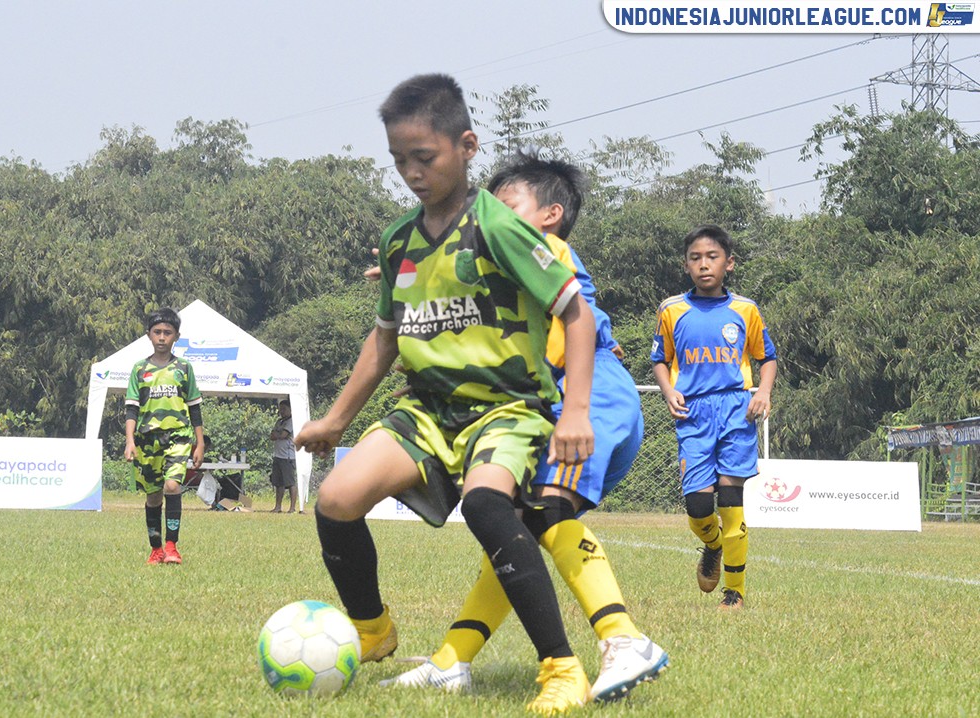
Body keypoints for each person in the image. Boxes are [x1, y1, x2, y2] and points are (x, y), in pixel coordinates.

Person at [294, 73, 598, 715]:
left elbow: (578, 315)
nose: (411, 172)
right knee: (336, 498)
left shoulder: (500, 227)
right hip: (427, 411)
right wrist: (335, 421)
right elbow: (384, 339)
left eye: (423, 158)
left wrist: (573, 413)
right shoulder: (399, 240)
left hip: (506, 408)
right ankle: (374, 632)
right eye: (399, 160)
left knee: (489, 509)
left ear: (467, 147)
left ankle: (563, 669)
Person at [382, 150, 668, 702]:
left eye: (504, 203)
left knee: (544, 507)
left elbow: (560, 334)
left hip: (591, 396)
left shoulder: (548, 252)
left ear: (550, 216)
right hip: (575, 396)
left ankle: (623, 637)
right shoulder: (501, 260)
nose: (484, 214)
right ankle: (452, 659)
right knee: (517, 527)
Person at [651, 224, 777, 609]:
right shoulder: (671, 309)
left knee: (730, 500)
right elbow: (660, 359)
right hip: (693, 414)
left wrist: (764, 393)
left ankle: (734, 593)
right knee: (698, 507)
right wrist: (669, 390)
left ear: (729, 263)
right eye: (695, 258)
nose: (704, 264)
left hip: (736, 411)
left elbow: (766, 358)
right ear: (686, 265)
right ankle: (712, 544)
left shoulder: (745, 309)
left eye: (712, 257)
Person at [123, 307, 205, 565]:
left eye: (167, 333)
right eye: (157, 332)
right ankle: (156, 548)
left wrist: (199, 442)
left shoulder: (183, 368)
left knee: (172, 486)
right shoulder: (139, 370)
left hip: (178, 438)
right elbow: (131, 408)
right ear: (149, 335)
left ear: (176, 336)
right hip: (147, 441)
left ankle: (172, 546)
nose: (161, 337)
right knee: (153, 496)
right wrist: (130, 440)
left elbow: (195, 407)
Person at [269, 399, 300, 513]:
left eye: (284, 409)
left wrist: (279, 435)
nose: (281, 411)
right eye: (280, 409)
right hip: (277, 455)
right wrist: (279, 435)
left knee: (290, 482)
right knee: (278, 483)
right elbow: (272, 436)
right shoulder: (279, 421)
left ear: (290, 409)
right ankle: (278, 507)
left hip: (288, 457)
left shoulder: (292, 421)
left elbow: (283, 435)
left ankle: (292, 508)